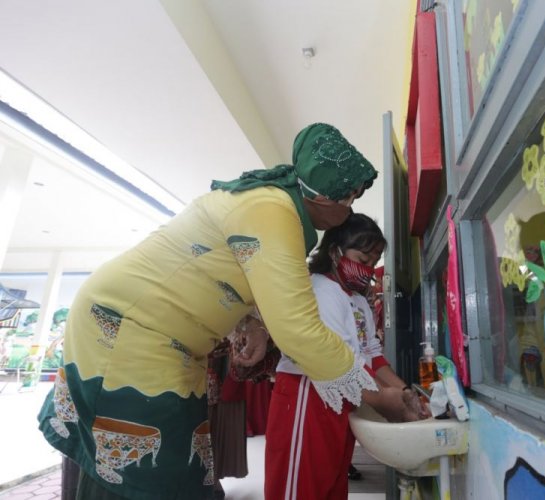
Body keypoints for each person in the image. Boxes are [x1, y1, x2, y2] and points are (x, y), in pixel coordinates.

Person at [37, 123, 379, 499]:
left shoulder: (275, 209)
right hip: (126, 331)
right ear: (323, 196)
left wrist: (253, 326)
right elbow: (297, 327)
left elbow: (242, 281)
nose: (349, 210)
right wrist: (373, 393)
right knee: (143, 472)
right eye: (349, 199)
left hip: (167, 340)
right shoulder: (272, 211)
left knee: (181, 467)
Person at [264, 213, 428, 500]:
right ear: (334, 251)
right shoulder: (320, 290)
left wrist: (404, 392)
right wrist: (381, 399)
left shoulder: (357, 300)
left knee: (331, 482)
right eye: (363, 260)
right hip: (309, 394)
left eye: (373, 263)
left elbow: (372, 357)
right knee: (302, 487)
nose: (368, 269)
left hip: (343, 397)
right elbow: (335, 359)